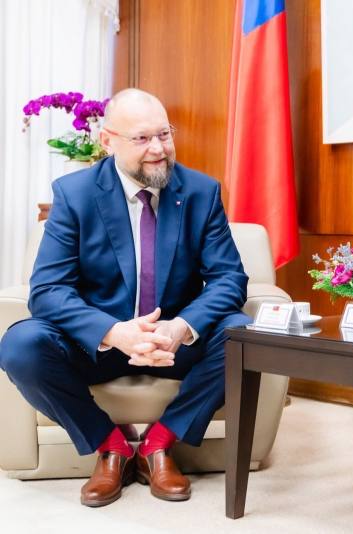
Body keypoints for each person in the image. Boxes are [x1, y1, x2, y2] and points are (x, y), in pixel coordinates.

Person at [0, 89, 252, 507]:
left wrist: (180, 327)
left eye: (164, 134)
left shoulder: (201, 192)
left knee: (243, 334)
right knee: (20, 345)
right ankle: (111, 444)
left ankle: (159, 442)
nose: (158, 149)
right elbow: (47, 290)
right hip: (98, 346)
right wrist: (114, 332)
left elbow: (229, 279)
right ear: (107, 141)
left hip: (171, 345)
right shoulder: (75, 194)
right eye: (141, 139)